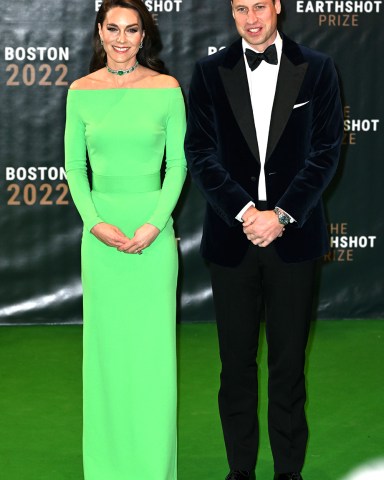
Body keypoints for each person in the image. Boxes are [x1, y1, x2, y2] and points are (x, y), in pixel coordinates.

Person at [184, 1, 343, 479]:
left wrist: (283, 215)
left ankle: (288, 473)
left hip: (293, 242)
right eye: (240, 8)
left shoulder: (317, 69)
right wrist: (247, 212)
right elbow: (201, 152)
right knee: (234, 369)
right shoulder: (210, 72)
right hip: (233, 241)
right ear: (231, 12)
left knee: (289, 368)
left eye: (259, 5)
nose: (251, 17)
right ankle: (240, 472)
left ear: (277, 6)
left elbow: (326, 151)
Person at [64, 1, 186, 478]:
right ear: (99, 31)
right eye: (112, 28)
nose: (121, 38)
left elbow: (177, 165)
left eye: (131, 29)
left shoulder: (167, 89)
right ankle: (108, 467)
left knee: (153, 357)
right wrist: (95, 223)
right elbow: (75, 168)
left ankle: (154, 467)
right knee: (107, 358)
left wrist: (156, 224)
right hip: (101, 237)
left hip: (154, 234)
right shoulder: (80, 91)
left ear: (143, 36)